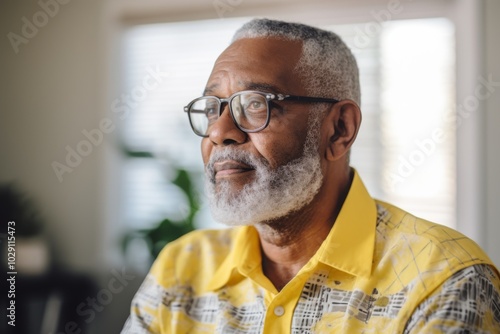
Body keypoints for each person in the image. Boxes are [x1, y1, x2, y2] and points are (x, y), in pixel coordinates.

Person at [122, 18, 500, 333]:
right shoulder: (180, 268)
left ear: (339, 129)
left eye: (255, 104)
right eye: (211, 109)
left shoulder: (445, 280)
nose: (219, 132)